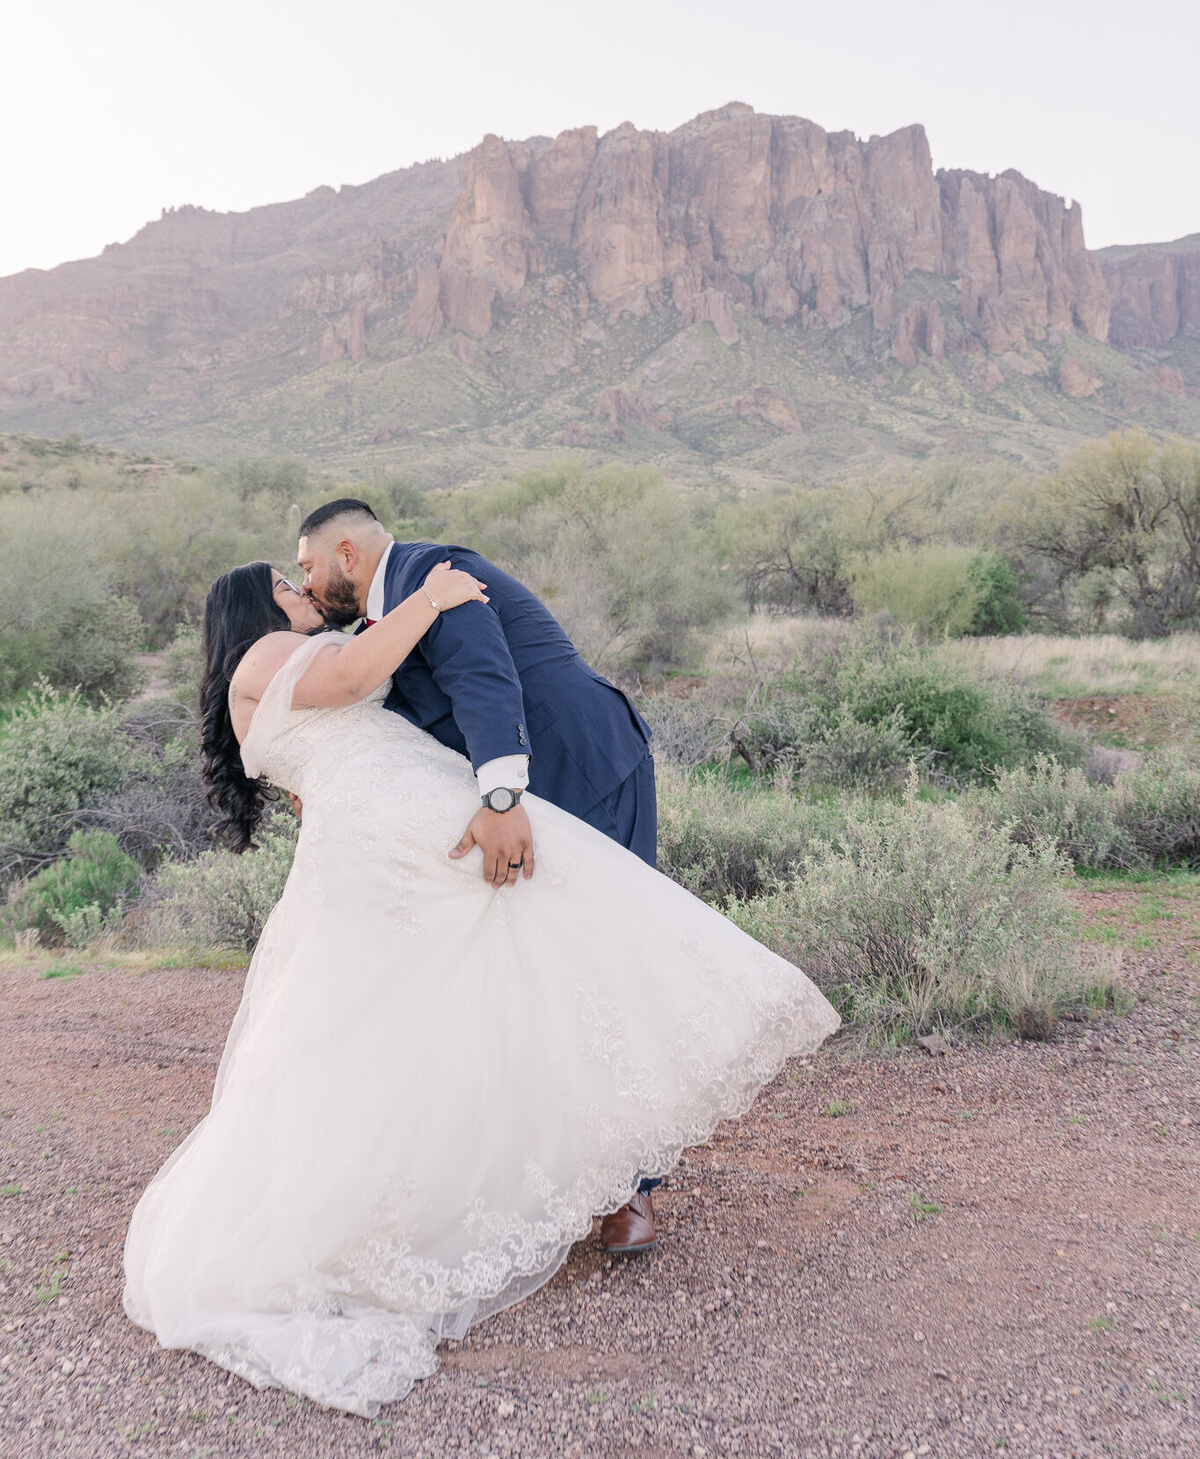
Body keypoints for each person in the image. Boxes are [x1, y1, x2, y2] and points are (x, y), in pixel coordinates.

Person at [123, 557, 840, 1418]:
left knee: (453, 997)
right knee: (555, 938)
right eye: (286, 579)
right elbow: (356, 674)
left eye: (303, 574)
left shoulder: (271, 673)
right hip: (402, 828)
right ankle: (584, 1176)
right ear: (254, 604)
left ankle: (572, 1172)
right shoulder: (266, 654)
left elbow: (333, 742)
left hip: (387, 824)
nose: (301, 588)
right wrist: (433, 595)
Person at [295, 498, 664, 1251]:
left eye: (306, 568)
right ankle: (558, 1172)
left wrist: (499, 797)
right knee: (535, 981)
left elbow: (482, 674)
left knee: (605, 969)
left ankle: (630, 1191)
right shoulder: (384, 618)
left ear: (346, 552)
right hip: (533, 798)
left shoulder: (435, 574)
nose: (305, 586)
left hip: (587, 771)